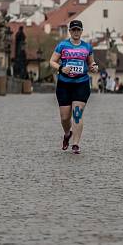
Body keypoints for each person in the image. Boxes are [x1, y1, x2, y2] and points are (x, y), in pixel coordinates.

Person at [49, 20, 98, 154]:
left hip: (81, 84)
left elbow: (91, 63)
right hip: (64, 84)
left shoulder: (87, 47)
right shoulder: (62, 45)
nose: (76, 32)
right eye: (73, 30)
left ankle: (76, 144)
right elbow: (52, 61)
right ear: (70, 31)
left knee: (77, 114)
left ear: (82, 31)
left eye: (78, 30)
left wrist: (93, 67)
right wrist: (61, 68)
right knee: (65, 117)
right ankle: (67, 134)